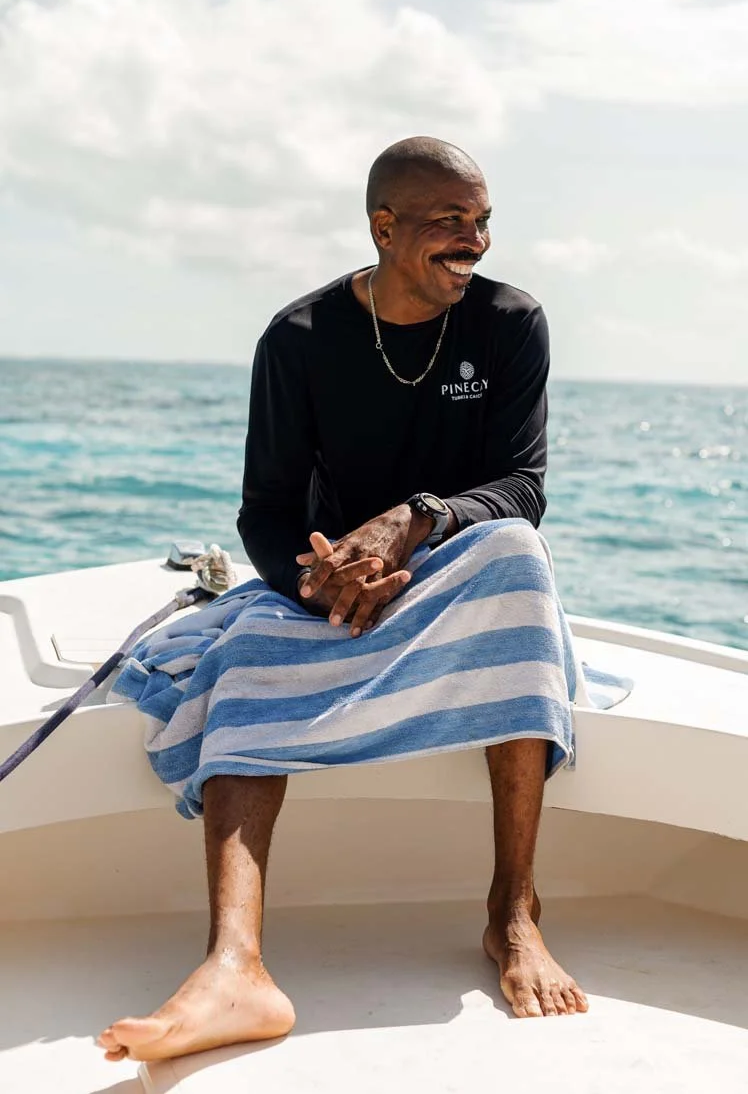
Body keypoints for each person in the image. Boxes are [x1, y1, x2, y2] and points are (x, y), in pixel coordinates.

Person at [97, 136, 588, 1065]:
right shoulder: (299, 338)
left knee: (519, 557)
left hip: (450, 564)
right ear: (384, 226)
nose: (475, 240)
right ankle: (234, 965)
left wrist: (418, 517)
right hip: (330, 587)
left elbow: (522, 488)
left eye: (483, 220)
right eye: (450, 220)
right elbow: (265, 511)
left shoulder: (511, 322)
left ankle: (514, 911)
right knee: (241, 655)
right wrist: (314, 579)